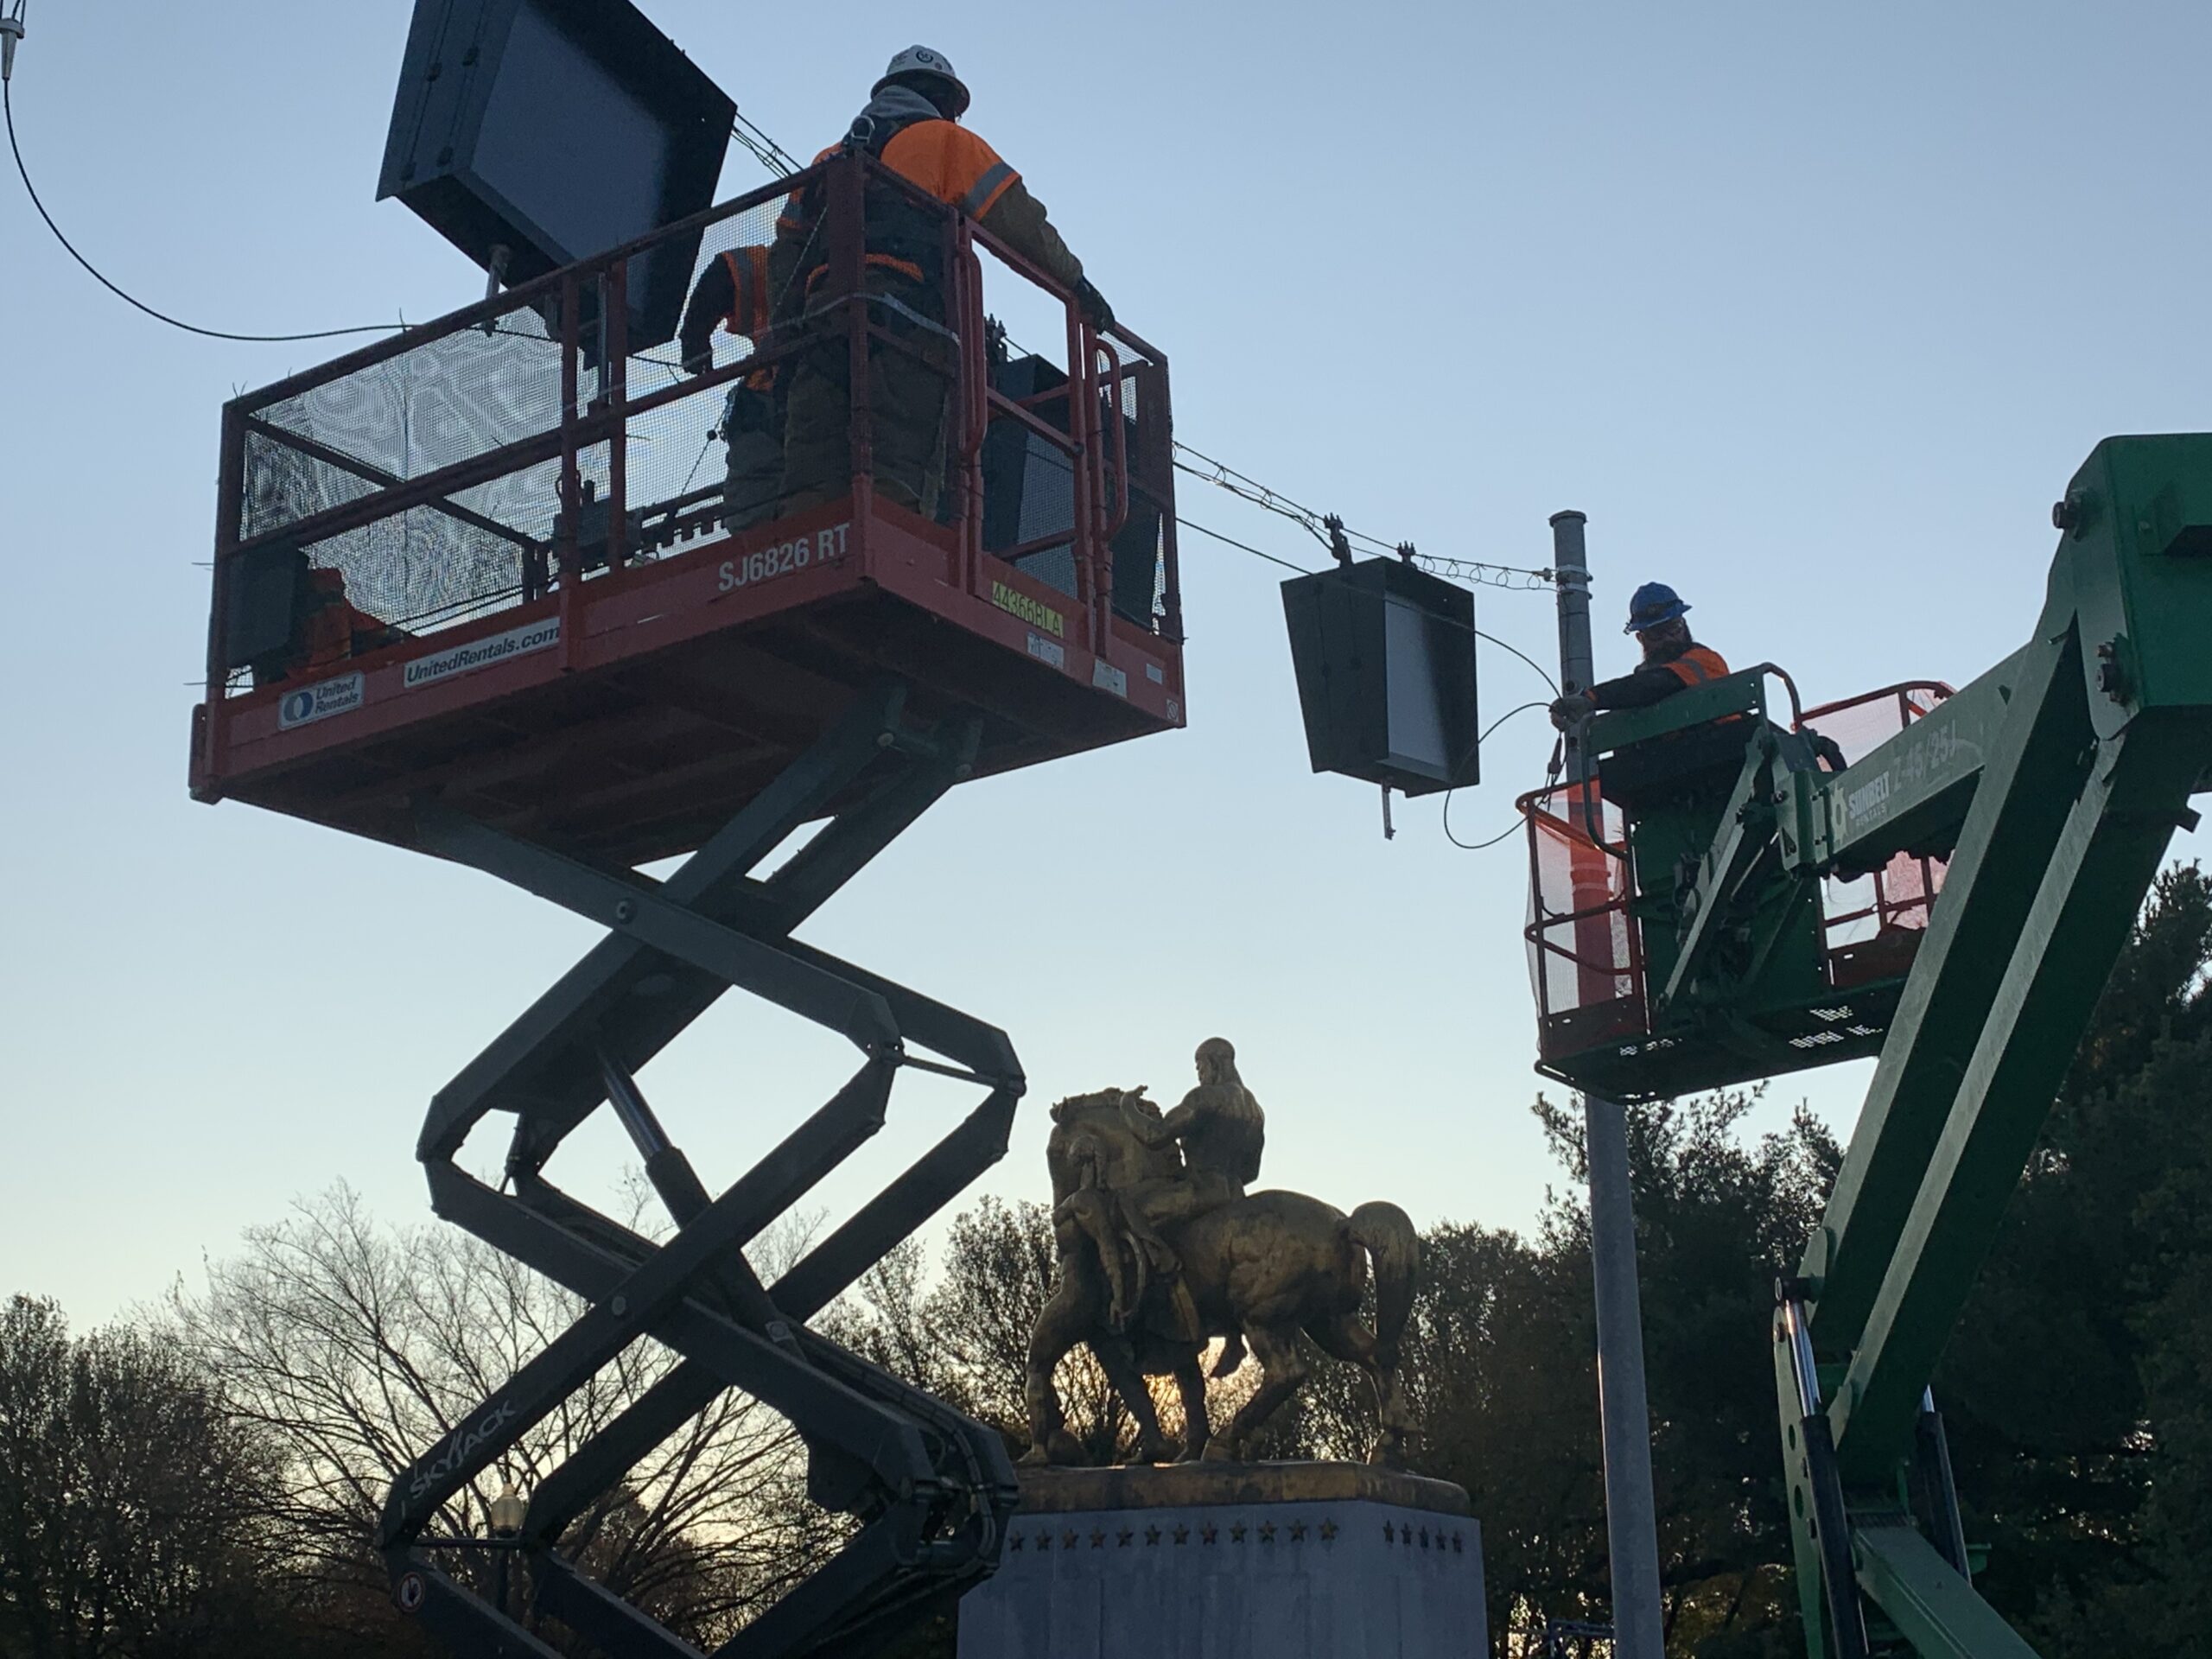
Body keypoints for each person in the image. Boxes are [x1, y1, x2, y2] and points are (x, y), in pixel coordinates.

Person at [770, 46, 1112, 518]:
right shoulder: (947, 143)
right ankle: (889, 567)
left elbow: (786, 256)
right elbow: (1020, 224)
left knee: (812, 468)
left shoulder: (828, 159)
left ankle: (807, 567)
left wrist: (784, 338)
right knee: (898, 465)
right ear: (940, 97)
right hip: (907, 329)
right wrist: (1078, 286)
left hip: (823, 325)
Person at [1109, 1037, 1266, 1338]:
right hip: (1235, 1195)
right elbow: (1252, 1171)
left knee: (1129, 1206)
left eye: (1200, 1067)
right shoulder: (1256, 1111)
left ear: (1214, 1063)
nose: (1199, 1074)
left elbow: (1155, 1135)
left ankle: (1161, 1274)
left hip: (1202, 1189)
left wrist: (1127, 1106)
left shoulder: (1203, 1098)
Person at [676, 244, 784, 531]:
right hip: (776, 413)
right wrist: (693, 338)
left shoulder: (802, 259)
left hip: (774, 416)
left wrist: (694, 341)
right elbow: (732, 270)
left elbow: (730, 271)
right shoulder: (802, 261)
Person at [1549, 582, 1729, 729]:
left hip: (1727, 752)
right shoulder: (1639, 687)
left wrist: (1591, 698)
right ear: (1640, 638)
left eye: (1673, 627)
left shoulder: (1705, 661)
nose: (1668, 638)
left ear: (1684, 623)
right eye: (1656, 632)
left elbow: (1657, 683)